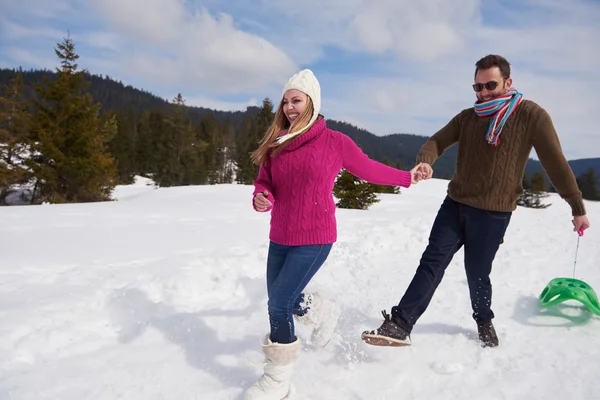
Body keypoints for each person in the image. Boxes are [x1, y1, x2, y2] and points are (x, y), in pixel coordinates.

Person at [361, 54, 591, 349]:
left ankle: (483, 319)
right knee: (432, 262)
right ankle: (400, 323)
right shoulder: (468, 118)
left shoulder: (531, 116)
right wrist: (425, 161)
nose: (482, 93)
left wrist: (577, 207)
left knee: (477, 273)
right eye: (477, 87)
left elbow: (555, 163)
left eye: (490, 85)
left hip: (493, 214)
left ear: (508, 82)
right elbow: (436, 141)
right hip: (455, 204)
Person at [245, 69, 423, 399]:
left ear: (312, 103)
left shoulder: (334, 142)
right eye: (286, 102)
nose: (289, 108)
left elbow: (369, 169)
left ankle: (277, 380)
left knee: (278, 303)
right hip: (280, 235)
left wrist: (406, 178)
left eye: (296, 101)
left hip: (315, 237)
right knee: (287, 301)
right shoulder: (276, 144)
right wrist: (262, 196)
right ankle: (321, 309)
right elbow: (265, 181)